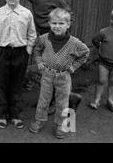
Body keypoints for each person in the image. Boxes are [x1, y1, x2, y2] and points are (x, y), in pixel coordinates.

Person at [0, 0, 82, 112]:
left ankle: (60, 101)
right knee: (49, 68)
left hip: (55, 37)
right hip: (44, 36)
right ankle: (62, 98)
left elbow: (69, 14)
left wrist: (63, 30)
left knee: (55, 68)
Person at [28, 8, 89, 139]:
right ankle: (39, 120)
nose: (57, 26)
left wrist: (74, 66)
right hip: (47, 75)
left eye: (61, 23)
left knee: (62, 102)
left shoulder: (74, 43)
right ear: (49, 24)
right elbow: (37, 50)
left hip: (64, 76)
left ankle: (61, 124)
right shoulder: (43, 39)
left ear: (68, 25)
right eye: (54, 23)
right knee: (43, 99)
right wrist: (39, 62)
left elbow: (85, 54)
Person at [0, 0, 37, 129]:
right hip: (2, 52)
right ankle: (2, 115)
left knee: (16, 85)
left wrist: (28, 49)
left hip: (20, 52)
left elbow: (32, 34)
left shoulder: (27, 14)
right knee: (1, 84)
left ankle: (15, 114)